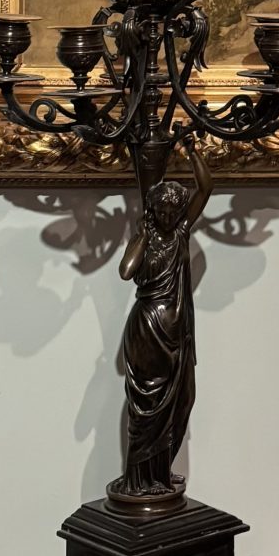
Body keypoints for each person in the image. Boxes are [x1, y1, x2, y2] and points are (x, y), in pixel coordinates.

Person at [111, 135, 212, 506]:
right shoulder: (147, 238)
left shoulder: (182, 233)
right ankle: (139, 481)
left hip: (176, 330)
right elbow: (126, 271)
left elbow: (206, 187)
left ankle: (159, 474)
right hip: (148, 329)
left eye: (174, 210)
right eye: (163, 210)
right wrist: (140, 235)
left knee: (180, 401)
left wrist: (192, 151)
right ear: (153, 210)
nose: (169, 216)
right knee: (148, 406)